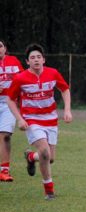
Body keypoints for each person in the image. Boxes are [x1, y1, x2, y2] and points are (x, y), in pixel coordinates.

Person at [6, 43, 72, 200]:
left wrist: (67, 110)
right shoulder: (20, 78)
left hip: (51, 118)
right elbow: (10, 99)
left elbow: (65, 89)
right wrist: (20, 119)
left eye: (38, 57)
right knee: (44, 152)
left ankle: (31, 157)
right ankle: (49, 191)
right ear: (27, 62)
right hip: (32, 119)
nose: (36, 60)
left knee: (50, 158)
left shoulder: (53, 73)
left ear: (44, 60)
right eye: (32, 58)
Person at [0, 40, 23, 182]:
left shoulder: (14, 61)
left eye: (0, 46)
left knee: (6, 135)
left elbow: (22, 79)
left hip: (9, 103)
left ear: (5, 48)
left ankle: (4, 171)